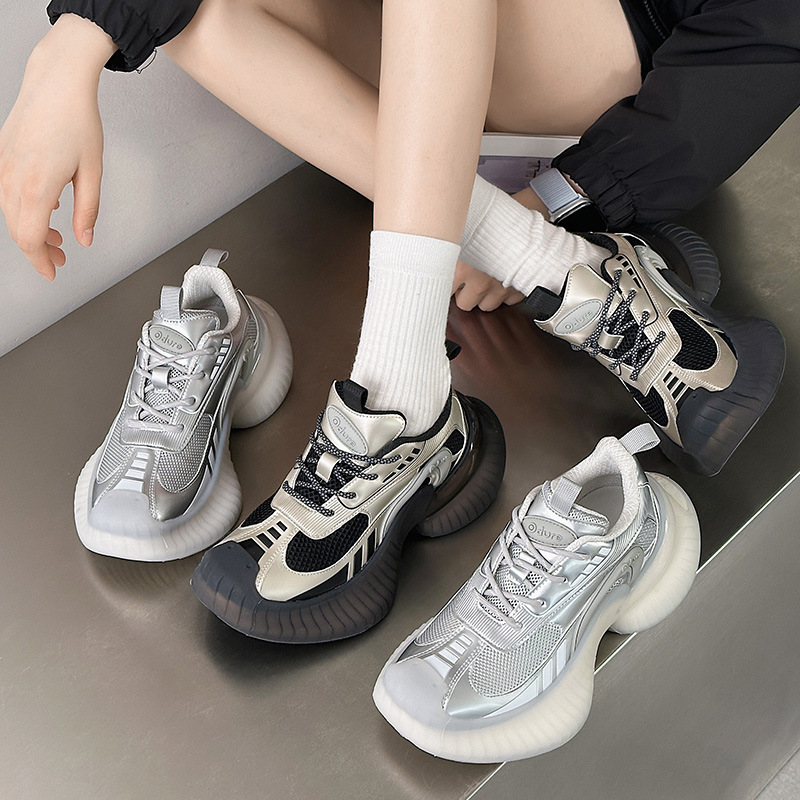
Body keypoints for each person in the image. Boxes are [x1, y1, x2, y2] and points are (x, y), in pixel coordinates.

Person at [0, 2, 794, 640]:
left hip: (597, 83)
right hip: (421, 71)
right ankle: (560, 272)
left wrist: (577, 190)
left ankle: (398, 400)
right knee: (200, 12)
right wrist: (69, 47)